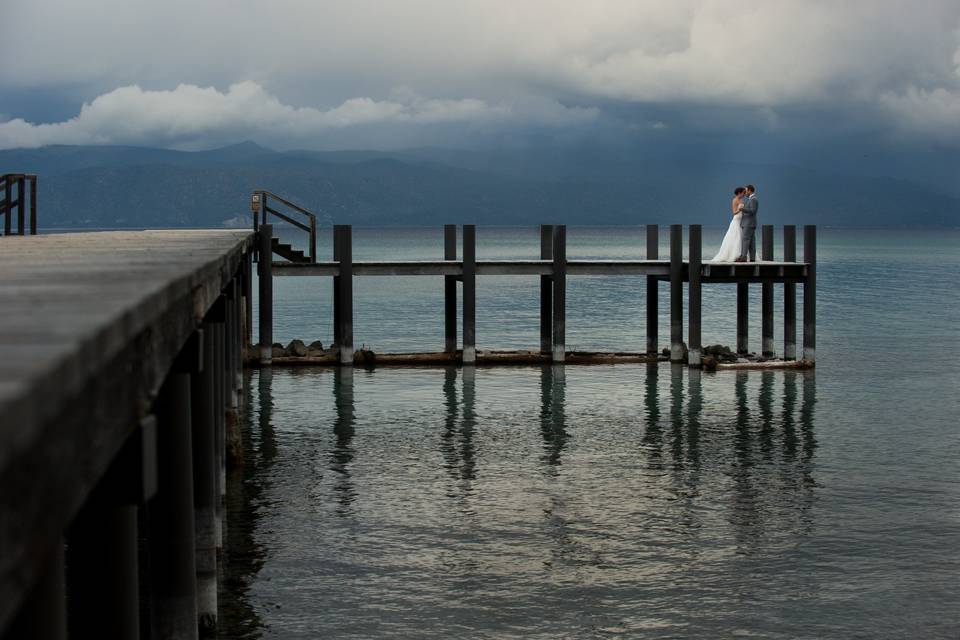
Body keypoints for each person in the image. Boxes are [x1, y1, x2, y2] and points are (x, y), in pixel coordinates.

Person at [709, 187, 746, 262]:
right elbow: (734, 212)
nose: (744, 194)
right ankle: (734, 254)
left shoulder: (742, 200)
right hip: (736, 220)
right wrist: (740, 210)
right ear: (739, 193)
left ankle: (741, 255)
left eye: (744, 193)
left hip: (742, 220)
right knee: (735, 236)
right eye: (743, 193)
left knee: (741, 237)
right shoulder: (734, 200)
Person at [737, 184, 759, 262]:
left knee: (745, 240)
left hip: (749, 223)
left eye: (746, 191)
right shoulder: (751, 199)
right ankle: (752, 258)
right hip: (750, 223)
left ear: (750, 190)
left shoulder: (753, 199)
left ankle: (743, 257)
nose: (745, 192)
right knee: (752, 241)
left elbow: (753, 211)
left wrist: (742, 209)